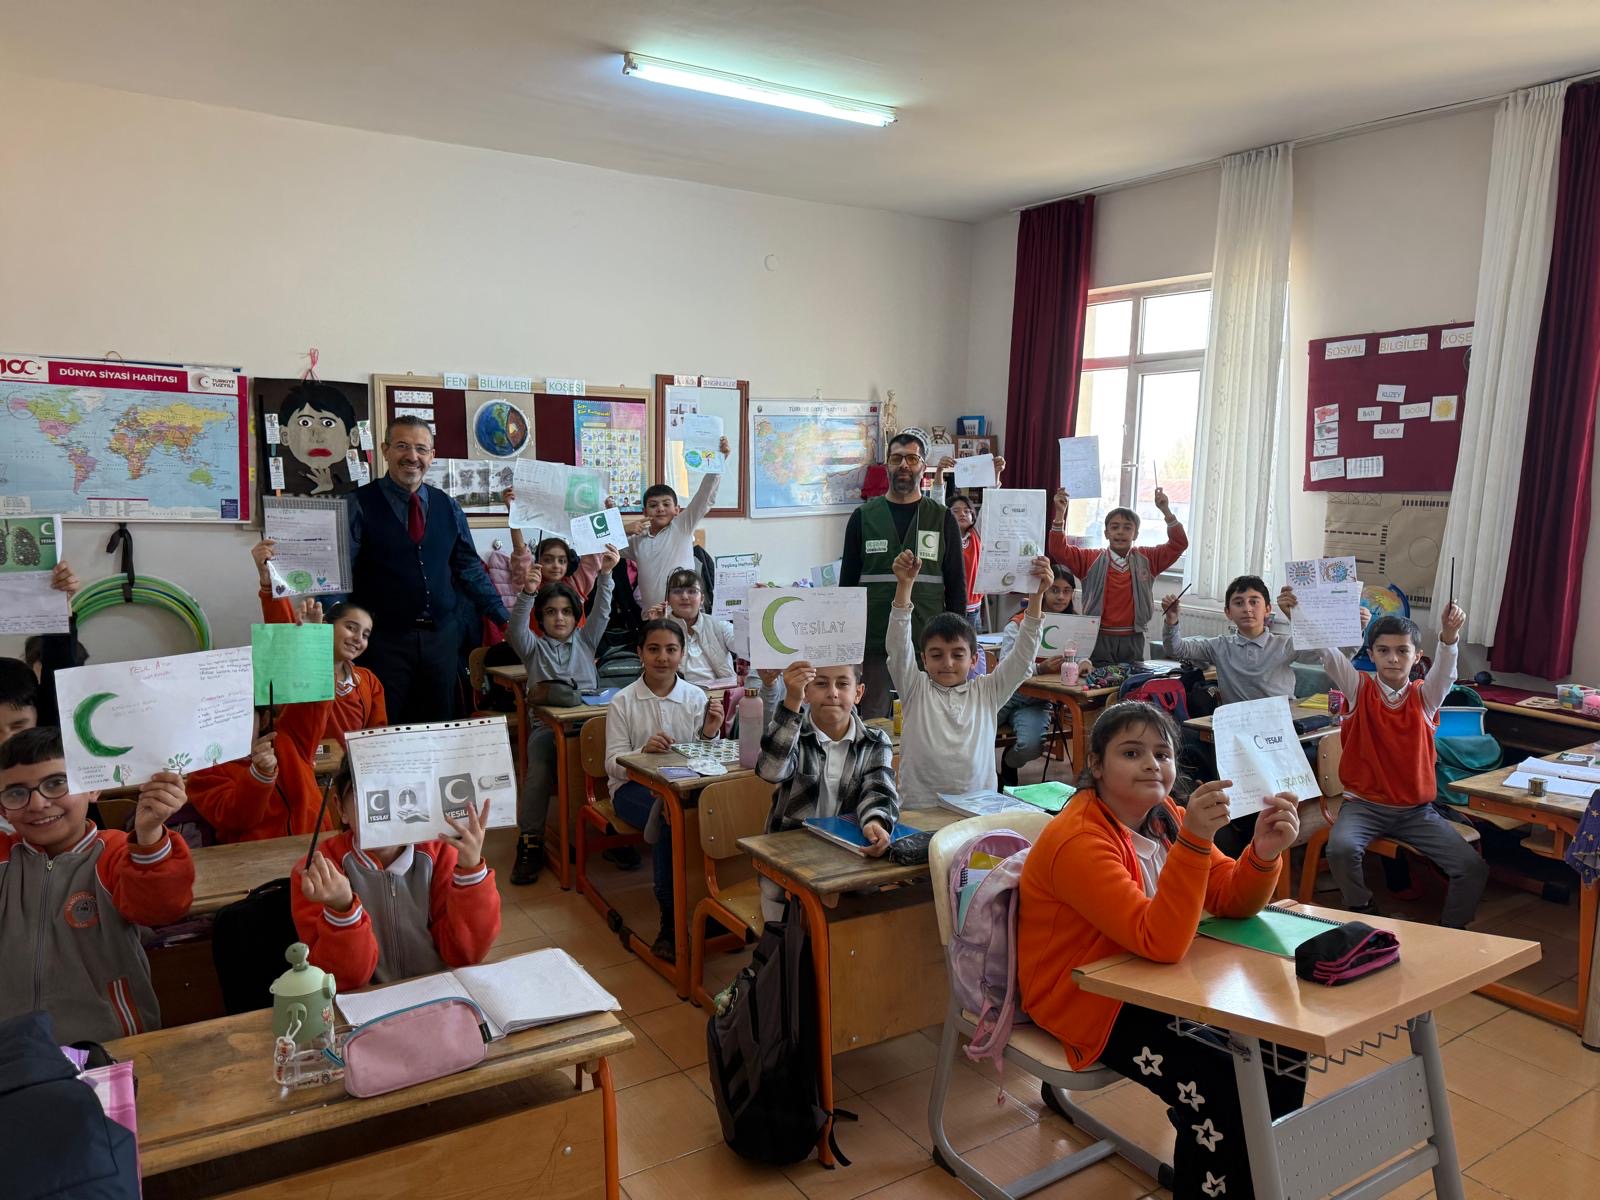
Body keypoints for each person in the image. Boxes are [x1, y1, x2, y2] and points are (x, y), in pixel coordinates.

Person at [1019, 702, 1304, 1200]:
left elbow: (1231, 899)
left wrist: (1263, 852)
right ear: (1097, 765)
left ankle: (1251, 1181)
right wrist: (1195, 841)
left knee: (1283, 1046)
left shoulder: (1166, 816)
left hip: (1156, 983)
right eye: (1131, 753)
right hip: (1088, 1000)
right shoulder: (1080, 838)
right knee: (1219, 1082)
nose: (1152, 764)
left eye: (1162, 753)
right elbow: (1160, 942)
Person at [1283, 595, 1486, 928]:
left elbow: (1446, 674)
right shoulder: (1358, 688)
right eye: (1383, 650)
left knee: (1471, 867)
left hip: (1416, 812)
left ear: (1417, 656)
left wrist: (1449, 637)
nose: (1393, 658)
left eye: (1402, 651)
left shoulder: (1424, 697)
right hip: (1363, 806)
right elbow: (1329, 655)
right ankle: (1362, 907)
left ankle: (1453, 931)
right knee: (1340, 849)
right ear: (1372, 653)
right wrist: (1298, 614)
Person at [0, 727, 193, 1041]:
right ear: (3, 808)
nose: (37, 803)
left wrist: (149, 835)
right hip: (14, 1050)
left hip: (109, 1044)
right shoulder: (4, 859)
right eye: (16, 793)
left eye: (56, 783)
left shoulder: (116, 853)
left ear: (93, 787)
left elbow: (162, 908)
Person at [346, 415, 509, 722]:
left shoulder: (449, 507)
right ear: (385, 450)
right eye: (402, 446)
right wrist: (333, 633)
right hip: (382, 640)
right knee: (383, 727)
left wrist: (504, 619)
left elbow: (470, 568)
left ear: (432, 455)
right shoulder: (357, 504)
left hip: (441, 640)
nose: (412, 456)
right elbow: (339, 577)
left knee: (440, 725)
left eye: (421, 449)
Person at [291, 766, 500, 991]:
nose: (385, 811)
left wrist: (471, 871)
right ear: (341, 807)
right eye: (371, 798)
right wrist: (342, 909)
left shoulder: (442, 855)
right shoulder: (318, 873)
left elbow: (465, 954)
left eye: (400, 794)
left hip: (435, 992)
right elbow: (340, 979)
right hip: (363, 1002)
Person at [889, 549, 1050, 808]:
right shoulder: (915, 689)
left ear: (974, 659)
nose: (948, 663)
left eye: (958, 654)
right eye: (937, 655)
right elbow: (898, 646)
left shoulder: (987, 692)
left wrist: (1036, 596)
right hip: (920, 807)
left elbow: (1022, 659)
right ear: (924, 659)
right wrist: (904, 586)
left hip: (977, 808)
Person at [605, 619, 723, 962]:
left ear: (682, 654)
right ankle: (670, 921)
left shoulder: (695, 696)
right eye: (653, 649)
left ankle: (712, 905)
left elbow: (706, 758)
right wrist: (643, 752)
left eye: (671, 649)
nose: (662, 657)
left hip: (683, 789)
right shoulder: (623, 701)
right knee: (669, 817)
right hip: (632, 790)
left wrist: (710, 732)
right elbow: (611, 764)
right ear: (640, 653)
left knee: (712, 813)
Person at [505, 546, 620, 885]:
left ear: (575, 616)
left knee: (613, 761)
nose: (559, 618)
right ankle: (530, 840)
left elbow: (602, 610)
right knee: (539, 770)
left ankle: (611, 830)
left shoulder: (586, 641)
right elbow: (515, 630)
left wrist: (606, 574)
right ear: (541, 618)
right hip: (548, 730)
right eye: (551, 612)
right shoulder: (533, 648)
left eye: (567, 612)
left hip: (589, 727)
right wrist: (528, 593)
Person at [756, 660, 899, 921]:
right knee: (782, 909)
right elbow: (770, 770)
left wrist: (875, 822)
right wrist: (791, 700)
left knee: (867, 905)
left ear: (858, 693)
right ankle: (778, 936)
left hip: (848, 860)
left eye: (842, 684)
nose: (832, 692)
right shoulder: (793, 735)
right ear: (807, 692)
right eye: (821, 684)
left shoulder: (875, 741)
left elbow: (879, 790)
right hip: (790, 860)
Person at [840, 429, 968, 718]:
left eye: (912, 458)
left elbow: (956, 587)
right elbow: (846, 588)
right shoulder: (863, 518)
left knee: (929, 718)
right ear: (887, 465)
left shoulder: (942, 518)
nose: (904, 465)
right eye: (896, 458)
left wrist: (957, 641)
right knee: (874, 721)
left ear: (923, 466)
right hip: (875, 643)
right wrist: (846, 647)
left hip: (929, 643)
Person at [252, 540, 388, 743]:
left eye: (365, 635)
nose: (358, 638)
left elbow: (378, 738)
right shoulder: (299, 671)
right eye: (351, 628)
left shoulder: (368, 682)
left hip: (350, 763)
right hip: (301, 762)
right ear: (326, 625)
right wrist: (268, 578)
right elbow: (282, 628)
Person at [1047, 487, 1187, 663]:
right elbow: (1058, 550)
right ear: (1106, 533)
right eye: (1114, 527)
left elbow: (1179, 544)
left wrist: (1166, 511)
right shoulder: (1090, 559)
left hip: (1133, 638)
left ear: (1135, 534)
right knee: (1097, 679)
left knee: (1131, 680)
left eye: (1127, 528)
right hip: (1097, 637)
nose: (1120, 532)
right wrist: (1060, 513)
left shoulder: (1148, 559)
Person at [187, 696, 333, 842]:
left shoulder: (289, 736)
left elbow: (316, 699)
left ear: (264, 719)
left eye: (243, 718)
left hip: (316, 843)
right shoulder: (203, 770)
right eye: (219, 721)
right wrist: (258, 775)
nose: (233, 730)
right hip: (257, 853)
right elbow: (234, 818)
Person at [995, 564, 1091, 786]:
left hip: (1038, 700)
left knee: (1030, 746)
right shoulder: (1018, 623)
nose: (1061, 596)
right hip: (1007, 695)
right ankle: (986, 775)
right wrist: (1040, 669)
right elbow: (1004, 666)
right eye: (1054, 590)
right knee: (976, 729)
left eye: (1067, 591)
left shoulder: (1075, 625)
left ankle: (1009, 762)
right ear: (1043, 590)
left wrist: (1084, 664)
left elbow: (1081, 656)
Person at [1161, 576, 1323, 705]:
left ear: (1268, 609)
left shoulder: (1284, 644)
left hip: (1279, 721)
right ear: (1228, 612)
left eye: (1254, 602)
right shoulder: (1219, 646)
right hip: (1237, 723)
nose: (1247, 609)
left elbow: (1324, 654)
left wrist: (1295, 616)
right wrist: (1171, 619)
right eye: (1239, 603)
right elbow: (1176, 649)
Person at [620, 437, 729, 611]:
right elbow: (602, 547)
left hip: (685, 615)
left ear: (677, 510)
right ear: (645, 512)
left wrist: (718, 461)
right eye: (653, 505)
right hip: (652, 618)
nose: (660, 509)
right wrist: (623, 530)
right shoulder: (637, 541)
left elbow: (704, 497)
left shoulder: (682, 527)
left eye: (666, 504)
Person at [939, 453, 1007, 632]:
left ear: (973, 516)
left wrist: (996, 473)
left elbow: (991, 504)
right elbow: (937, 505)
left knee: (971, 647)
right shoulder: (944, 535)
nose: (962, 514)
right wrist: (939, 472)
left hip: (973, 610)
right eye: (955, 511)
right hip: (947, 607)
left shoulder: (976, 534)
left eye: (967, 511)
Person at [276, 381, 362, 497]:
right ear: (284, 435)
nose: (317, 437)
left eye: (328, 423)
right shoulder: (283, 479)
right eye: (305, 423)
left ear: (353, 436)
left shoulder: (358, 485)